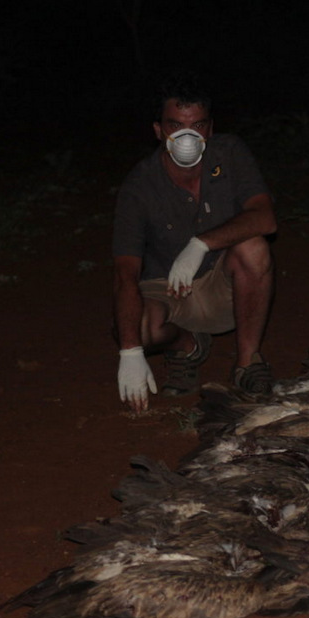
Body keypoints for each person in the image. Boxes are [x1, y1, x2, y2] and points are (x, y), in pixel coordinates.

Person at [113, 76, 277, 412]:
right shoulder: (138, 186)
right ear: (159, 131)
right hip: (169, 290)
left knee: (254, 246)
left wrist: (200, 244)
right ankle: (187, 346)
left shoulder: (229, 153)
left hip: (222, 283)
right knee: (136, 327)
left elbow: (265, 217)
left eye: (197, 125)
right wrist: (130, 351)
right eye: (176, 125)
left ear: (210, 129)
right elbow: (125, 273)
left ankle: (248, 363)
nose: (187, 136)